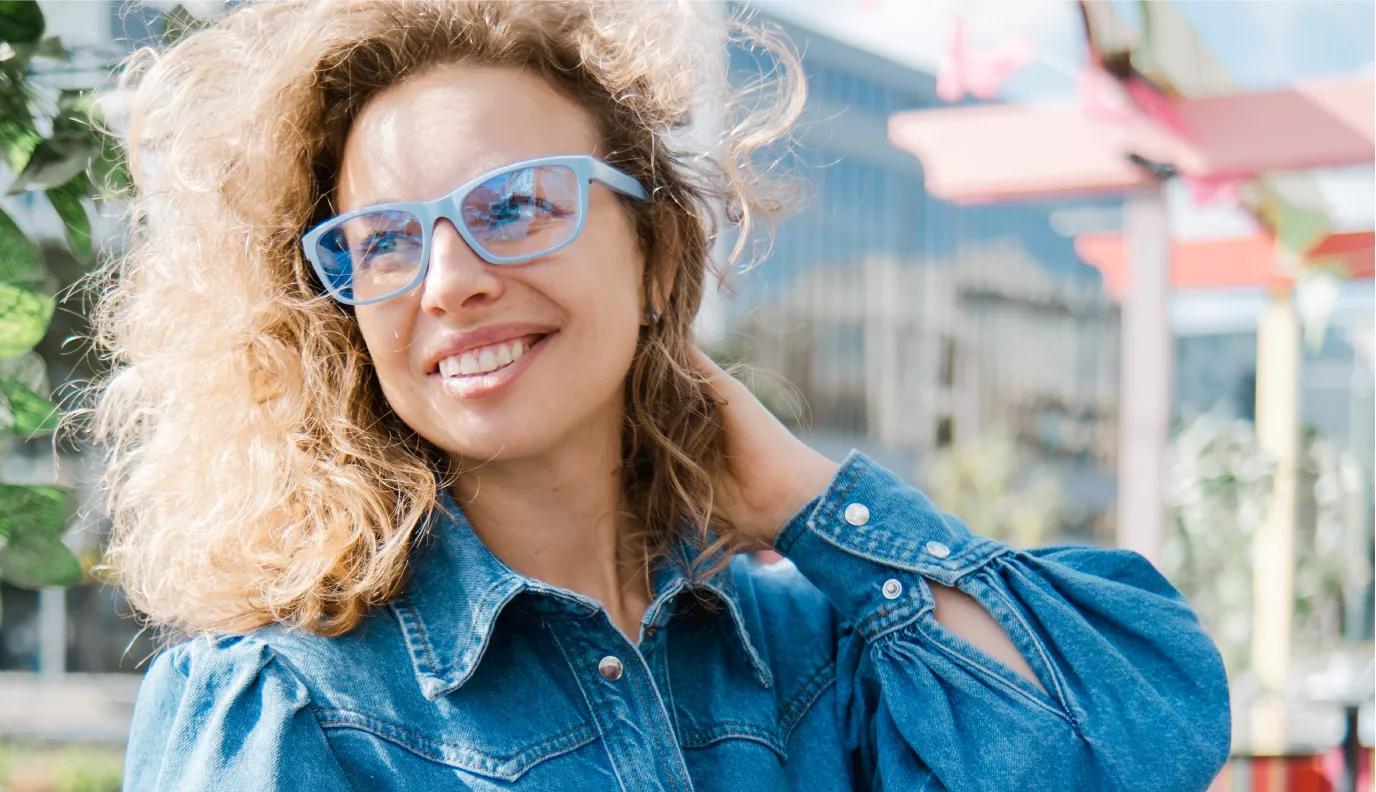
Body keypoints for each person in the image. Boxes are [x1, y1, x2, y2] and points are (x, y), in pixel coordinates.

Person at [82, 1, 1230, 789]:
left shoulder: (814, 654)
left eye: (518, 205)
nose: (450, 283)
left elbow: (1131, 738)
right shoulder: (285, 701)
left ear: (655, 257)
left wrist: (801, 499)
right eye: (381, 241)